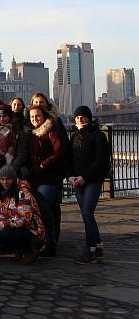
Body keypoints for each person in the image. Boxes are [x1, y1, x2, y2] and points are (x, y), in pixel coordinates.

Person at [67, 106, 111, 264]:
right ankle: (98, 248)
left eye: (83, 116)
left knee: (87, 212)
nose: (80, 119)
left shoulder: (98, 136)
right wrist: (70, 176)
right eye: (77, 117)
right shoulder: (74, 137)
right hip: (77, 181)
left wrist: (84, 177)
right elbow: (69, 160)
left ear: (90, 118)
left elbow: (101, 161)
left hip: (92, 181)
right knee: (87, 215)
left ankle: (90, 249)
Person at [0, 165, 45, 265]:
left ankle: (30, 251)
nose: (5, 182)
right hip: (15, 227)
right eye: (2, 179)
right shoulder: (5, 194)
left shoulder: (23, 192)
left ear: (13, 178)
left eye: (8, 179)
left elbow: (24, 219)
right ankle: (20, 249)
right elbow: (0, 214)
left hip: (33, 231)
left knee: (6, 232)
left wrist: (4, 223)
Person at [27, 104, 65, 256]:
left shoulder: (51, 131)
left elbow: (59, 152)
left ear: (44, 116)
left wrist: (43, 164)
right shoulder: (32, 134)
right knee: (39, 209)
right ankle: (43, 242)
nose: (35, 119)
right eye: (32, 117)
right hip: (37, 178)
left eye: (37, 116)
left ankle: (49, 243)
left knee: (41, 207)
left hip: (50, 178)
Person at [0, 105, 29, 197]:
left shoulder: (18, 133)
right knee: (2, 200)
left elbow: (22, 155)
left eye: (5, 116)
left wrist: (10, 170)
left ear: (10, 117)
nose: (2, 119)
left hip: (15, 172)